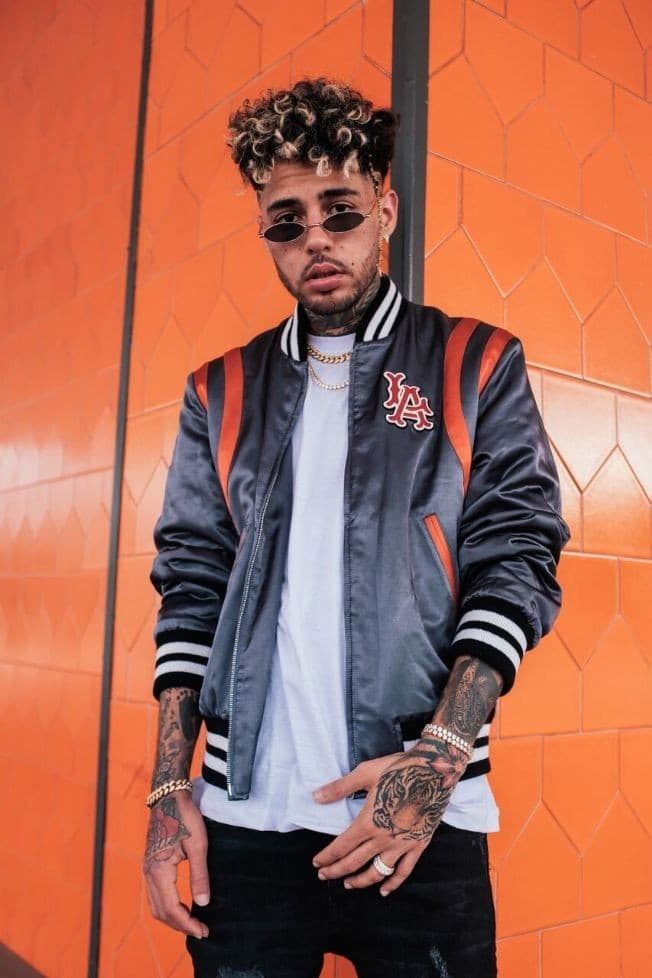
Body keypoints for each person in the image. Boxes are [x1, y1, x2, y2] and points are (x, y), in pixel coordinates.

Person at [143, 78, 569, 978]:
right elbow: (191, 586)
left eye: (339, 210)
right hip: (245, 822)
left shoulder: (474, 362)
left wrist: (438, 761)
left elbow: (517, 559)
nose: (317, 239)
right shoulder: (219, 391)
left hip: (422, 810)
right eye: (286, 221)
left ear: (386, 209)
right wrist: (170, 782)